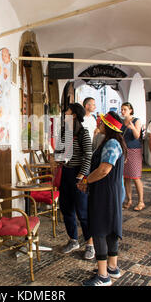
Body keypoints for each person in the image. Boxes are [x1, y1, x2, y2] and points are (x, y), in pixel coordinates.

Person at [79, 111, 126, 286]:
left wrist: (86, 180)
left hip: (105, 193)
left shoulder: (112, 143)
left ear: (109, 126)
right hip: (111, 192)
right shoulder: (114, 142)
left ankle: (103, 275)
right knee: (111, 228)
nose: (99, 123)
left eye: (102, 121)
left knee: (99, 230)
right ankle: (112, 267)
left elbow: (104, 169)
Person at [56, 103, 94, 260]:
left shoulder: (83, 133)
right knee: (66, 209)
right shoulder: (64, 132)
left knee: (83, 211)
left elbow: (88, 155)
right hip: (65, 172)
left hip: (78, 174)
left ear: (74, 115)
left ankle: (90, 244)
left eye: (67, 111)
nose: (65, 113)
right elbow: (58, 151)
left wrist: (81, 175)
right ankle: (73, 240)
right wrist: (57, 158)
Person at [120, 102, 145, 211]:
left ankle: (141, 201)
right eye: (121, 109)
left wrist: (132, 127)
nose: (122, 111)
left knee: (136, 177)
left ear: (130, 110)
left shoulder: (136, 120)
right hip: (124, 151)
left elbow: (137, 136)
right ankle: (129, 200)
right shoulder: (121, 122)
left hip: (134, 150)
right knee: (126, 177)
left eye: (125, 109)